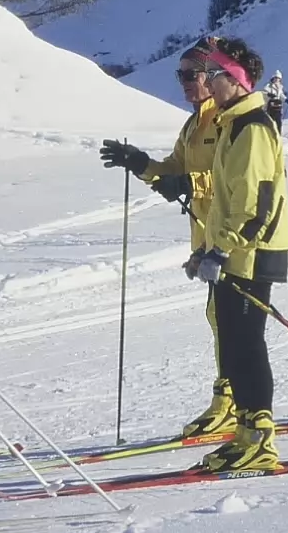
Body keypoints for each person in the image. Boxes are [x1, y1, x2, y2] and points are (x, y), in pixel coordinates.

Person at [99, 37, 235, 438]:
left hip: (232, 235)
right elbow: (174, 170)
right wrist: (140, 163)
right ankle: (232, 400)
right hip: (207, 235)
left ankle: (232, 402)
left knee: (229, 320)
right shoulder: (193, 125)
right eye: (180, 75)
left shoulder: (226, 120)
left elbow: (235, 178)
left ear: (212, 76)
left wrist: (191, 183)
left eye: (191, 75)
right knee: (218, 318)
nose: (185, 83)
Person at [188, 37, 288, 472]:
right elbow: (227, 201)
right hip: (232, 253)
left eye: (214, 74)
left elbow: (255, 206)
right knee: (232, 343)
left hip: (252, 252)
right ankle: (246, 432)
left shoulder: (252, 127)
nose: (208, 82)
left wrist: (221, 249)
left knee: (247, 345)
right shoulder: (233, 124)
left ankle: (260, 438)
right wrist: (207, 250)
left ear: (236, 79)